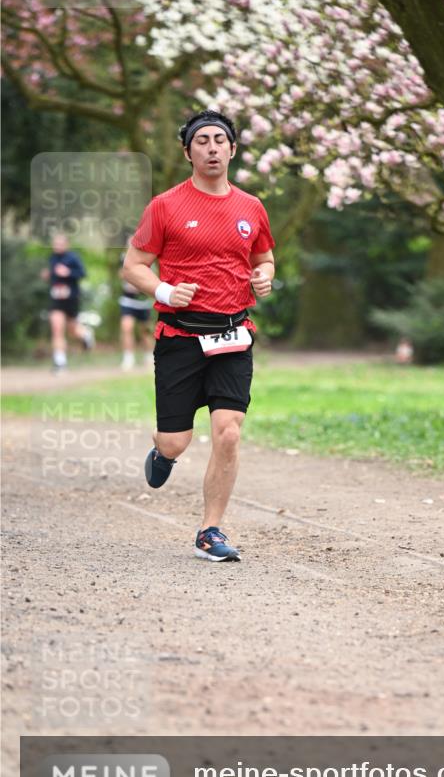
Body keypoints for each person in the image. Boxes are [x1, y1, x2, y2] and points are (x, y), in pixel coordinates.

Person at [122, 109, 275, 563]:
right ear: (187, 151)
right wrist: (166, 290)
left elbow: (264, 258)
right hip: (180, 337)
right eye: (202, 141)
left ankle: (211, 530)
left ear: (232, 149)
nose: (211, 147)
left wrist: (263, 276)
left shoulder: (251, 207)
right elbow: (132, 266)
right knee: (176, 440)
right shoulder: (166, 206)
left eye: (219, 140)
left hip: (233, 333)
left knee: (229, 433)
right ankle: (163, 453)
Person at [41, 233, 94, 371]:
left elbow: (83, 274)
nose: (57, 246)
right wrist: (48, 275)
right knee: (57, 329)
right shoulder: (52, 258)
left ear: (66, 244)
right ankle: (60, 362)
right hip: (56, 299)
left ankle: (85, 334)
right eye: (55, 244)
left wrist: (68, 272)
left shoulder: (73, 258)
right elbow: (54, 277)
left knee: (72, 331)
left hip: (71, 299)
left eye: (60, 244)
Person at [118, 235, 154, 370]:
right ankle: (128, 358)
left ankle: (148, 356)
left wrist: (139, 283)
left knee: (145, 331)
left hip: (143, 301)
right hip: (127, 300)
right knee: (126, 327)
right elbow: (121, 274)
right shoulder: (122, 258)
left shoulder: (147, 258)